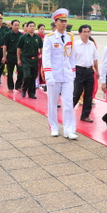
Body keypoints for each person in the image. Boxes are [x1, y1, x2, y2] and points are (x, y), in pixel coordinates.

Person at [43, 8, 78, 139]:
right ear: (55, 22)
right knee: (52, 103)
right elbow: (46, 58)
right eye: (61, 21)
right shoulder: (50, 38)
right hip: (54, 75)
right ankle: (54, 127)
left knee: (68, 103)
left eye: (65, 21)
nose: (64, 23)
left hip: (67, 75)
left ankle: (69, 129)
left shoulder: (70, 37)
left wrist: (73, 73)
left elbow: (72, 57)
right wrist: (48, 76)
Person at [73, 24, 99, 123]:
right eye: (84, 32)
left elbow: (95, 59)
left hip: (89, 71)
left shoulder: (91, 44)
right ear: (80, 33)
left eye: (88, 32)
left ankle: (85, 115)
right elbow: (71, 60)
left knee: (88, 94)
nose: (86, 34)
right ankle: (68, 111)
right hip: (78, 71)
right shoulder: (75, 45)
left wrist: (97, 71)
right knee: (77, 93)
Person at [17, 21, 43, 99]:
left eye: (33, 26)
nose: (32, 28)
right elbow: (19, 48)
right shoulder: (23, 37)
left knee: (33, 76)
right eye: (30, 26)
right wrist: (19, 59)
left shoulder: (37, 38)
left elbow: (41, 47)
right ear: (27, 28)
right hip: (26, 59)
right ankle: (24, 89)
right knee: (27, 76)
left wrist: (41, 54)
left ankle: (31, 93)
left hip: (34, 59)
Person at [2, 20, 23, 90]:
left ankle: (18, 85)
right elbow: (5, 46)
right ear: (12, 26)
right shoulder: (8, 34)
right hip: (11, 55)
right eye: (15, 25)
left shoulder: (21, 35)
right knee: (10, 72)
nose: (17, 27)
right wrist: (4, 56)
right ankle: (10, 86)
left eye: (18, 25)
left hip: (19, 56)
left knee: (21, 71)